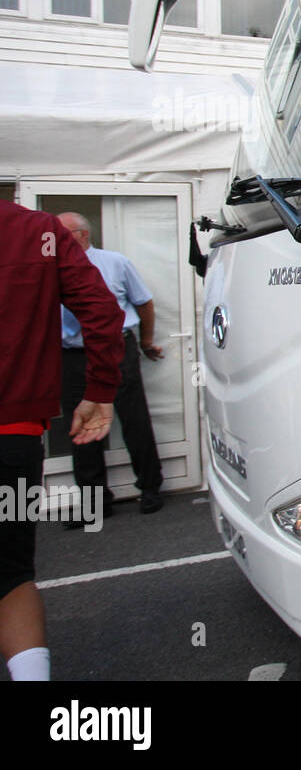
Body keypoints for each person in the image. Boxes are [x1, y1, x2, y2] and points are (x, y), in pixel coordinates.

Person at [1, 202, 123, 680]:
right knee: (10, 575)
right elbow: (101, 310)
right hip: (13, 437)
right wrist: (99, 392)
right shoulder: (35, 230)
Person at [56, 213, 166, 520]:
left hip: (115, 347)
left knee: (134, 419)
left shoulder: (114, 263)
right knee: (80, 426)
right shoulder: (47, 268)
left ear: (81, 235)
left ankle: (150, 487)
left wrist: (145, 342)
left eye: (59, 233)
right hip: (72, 355)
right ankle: (94, 501)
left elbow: (143, 302)